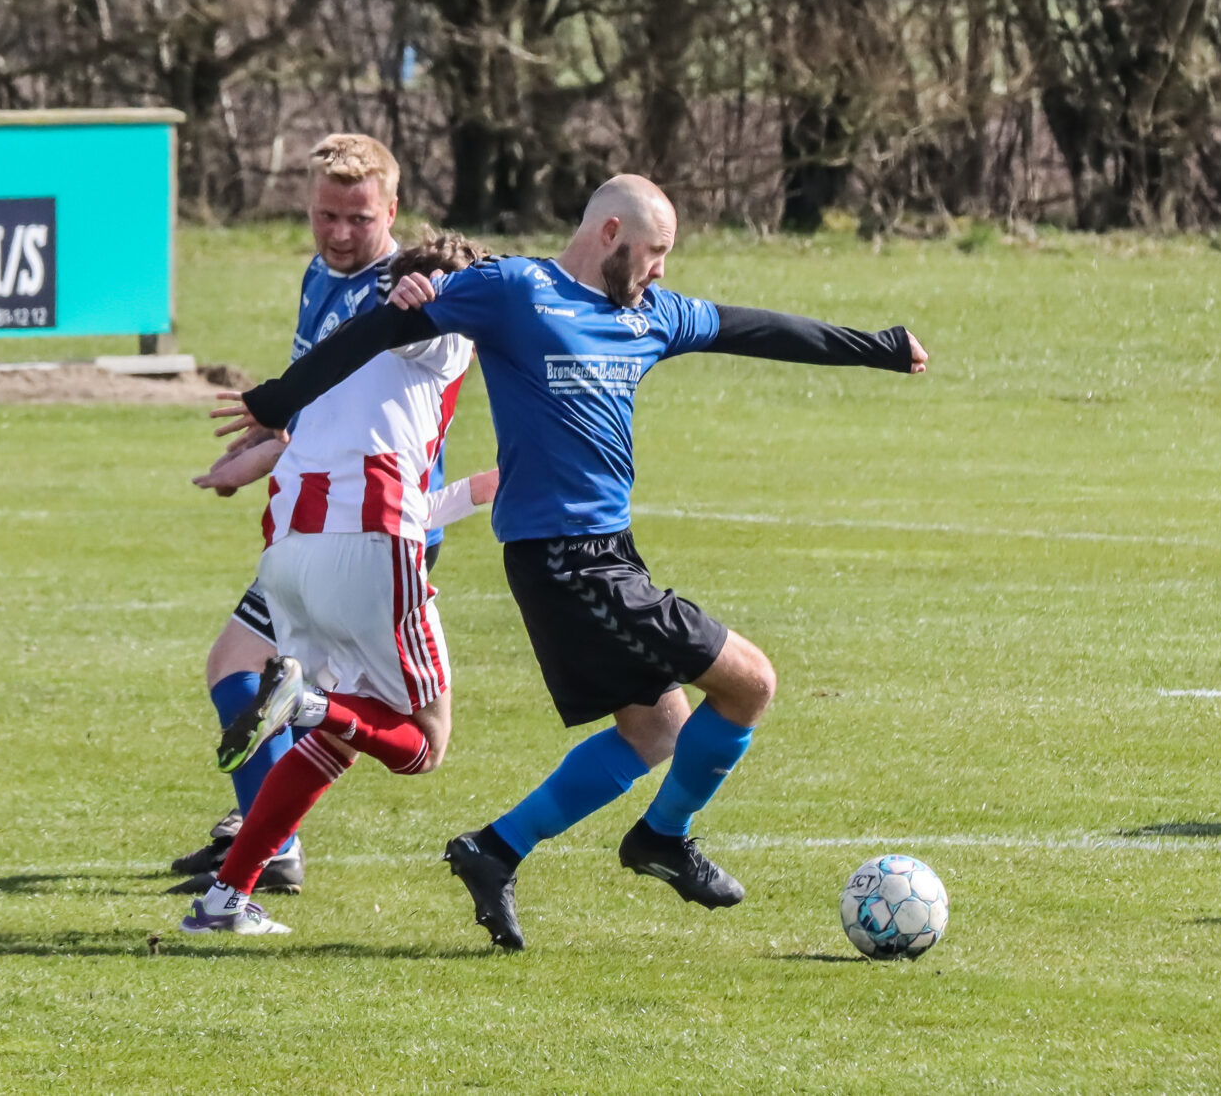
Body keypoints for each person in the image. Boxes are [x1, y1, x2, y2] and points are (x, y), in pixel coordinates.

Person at [221, 175, 926, 951]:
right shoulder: (516, 288)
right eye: (655, 251)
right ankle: (663, 839)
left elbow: (755, 329)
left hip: (608, 554)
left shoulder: (653, 314)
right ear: (612, 233)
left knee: (657, 727)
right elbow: (383, 328)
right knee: (752, 682)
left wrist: (881, 349)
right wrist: (281, 398)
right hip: (565, 561)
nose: (661, 268)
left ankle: (496, 849)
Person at [180, 233, 497, 935]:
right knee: (426, 741)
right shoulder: (438, 332)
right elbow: (429, 321)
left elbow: (384, 480)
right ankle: (309, 702)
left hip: (291, 559)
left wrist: (478, 490)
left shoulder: (339, 358)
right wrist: (439, 298)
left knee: (341, 737)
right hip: (369, 551)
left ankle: (223, 901)